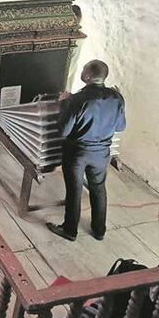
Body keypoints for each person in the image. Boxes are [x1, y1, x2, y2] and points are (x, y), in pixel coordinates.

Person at [47, 60, 126, 242]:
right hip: (102, 153)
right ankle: (99, 230)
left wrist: (63, 104)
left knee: (74, 190)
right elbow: (121, 127)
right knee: (98, 188)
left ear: (88, 76)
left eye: (83, 70)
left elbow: (64, 131)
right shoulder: (116, 98)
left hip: (78, 153)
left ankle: (69, 230)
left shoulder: (77, 100)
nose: (82, 71)